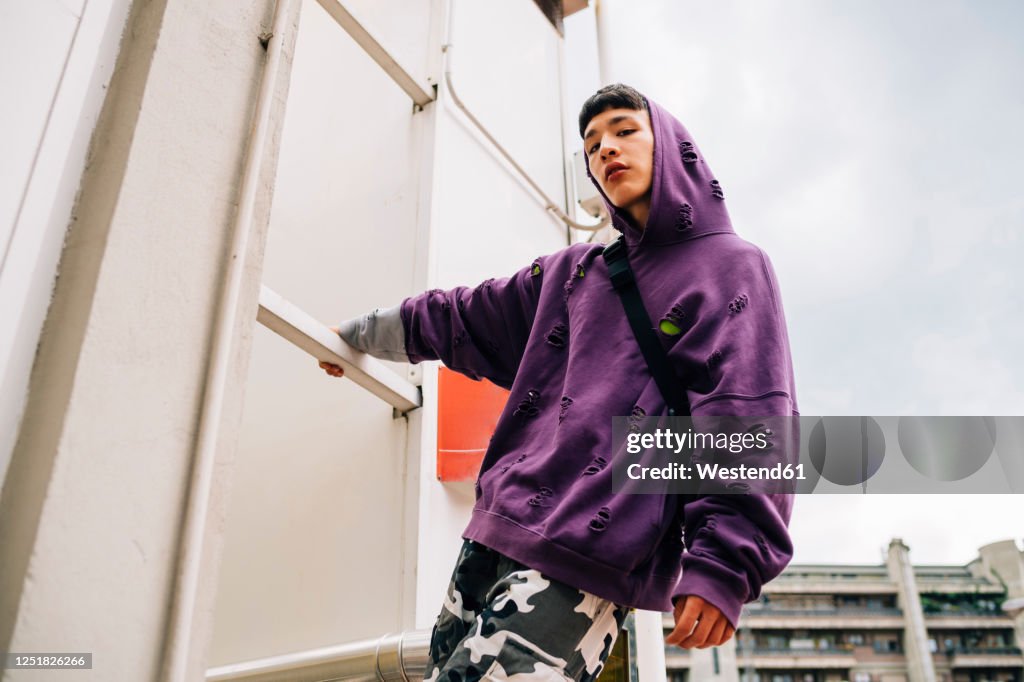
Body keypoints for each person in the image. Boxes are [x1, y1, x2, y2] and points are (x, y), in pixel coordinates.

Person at [320, 83, 798, 681]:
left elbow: (747, 416)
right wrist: (356, 337)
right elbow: (462, 315)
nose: (606, 150)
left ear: (675, 147)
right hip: (493, 529)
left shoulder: (731, 265)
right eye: (593, 144)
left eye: (625, 131)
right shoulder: (575, 272)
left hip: (592, 552)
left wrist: (726, 563)